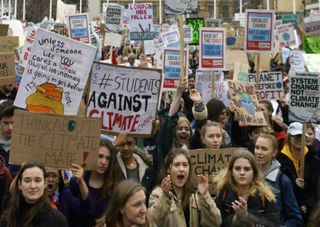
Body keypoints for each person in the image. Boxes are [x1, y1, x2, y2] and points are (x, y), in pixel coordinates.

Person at [148, 148, 222, 227]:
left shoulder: (196, 195)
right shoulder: (158, 194)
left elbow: (215, 223)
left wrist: (204, 196)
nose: (181, 169)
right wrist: (164, 198)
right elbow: (153, 222)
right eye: (176, 165)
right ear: (168, 169)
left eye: (185, 165)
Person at [214, 149, 280, 226]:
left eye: (247, 169)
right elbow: (217, 223)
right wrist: (235, 219)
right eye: (237, 168)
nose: (242, 173)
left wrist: (247, 217)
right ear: (231, 172)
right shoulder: (223, 194)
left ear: (254, 173)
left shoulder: (265, 196)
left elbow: (273, 224)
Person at [255, 133, 302, 226]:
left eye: (264, 149)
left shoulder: (283, 181)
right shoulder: (246, 175)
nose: (259, 152)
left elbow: (295, 218)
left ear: (274, 152)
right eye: (257, 147)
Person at [0, 161, 68, 227]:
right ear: (20, 185)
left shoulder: (58, 221)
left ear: (45, 183)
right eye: (27, 180)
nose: (33, 186)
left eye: (37, 180)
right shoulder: (8, 218)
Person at [70, 139, 117, 226]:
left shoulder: (113, 188)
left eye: (108, 158)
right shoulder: (75, 182)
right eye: (100, 156)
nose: (104, 162)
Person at [278, 122, 316, 223]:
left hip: (310, 211)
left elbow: (316, 184)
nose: (300, 139)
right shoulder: (280, 160)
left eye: (302, 136)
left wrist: (308, 204)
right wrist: (294, 184)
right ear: (289, 137)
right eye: (296, 136)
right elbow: (280, 186)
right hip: (289, 210)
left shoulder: (313, 156)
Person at [113, 133, 156, 198]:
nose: (126, 148)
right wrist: (113, 145)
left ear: (135, 143)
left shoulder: (147, 167)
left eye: (129, 144)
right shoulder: (113, 165)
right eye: (122, 144)